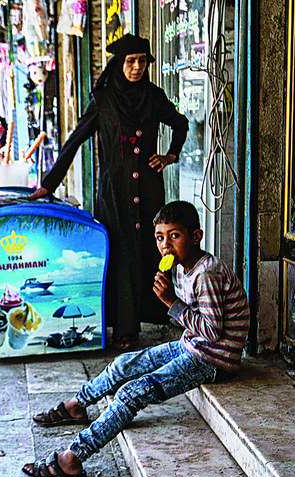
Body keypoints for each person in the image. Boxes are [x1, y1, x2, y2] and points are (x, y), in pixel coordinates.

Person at [22, 200, 250, 477]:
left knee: (132, 392)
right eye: (159, 237)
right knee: (123, 364)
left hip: (213, 359)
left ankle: (72, 458)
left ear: (196, 236)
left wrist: (171, 302)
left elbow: (212, 331)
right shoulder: (182, 267)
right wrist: (173, 302)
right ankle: (76, 405)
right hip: (192, 346)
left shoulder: (206, 273)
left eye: (174, 236)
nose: (166, 245)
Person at [31, 34, 189, 349]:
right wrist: (49, 183)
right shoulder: (103, 100)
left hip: (148, 187)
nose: (137, 68)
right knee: (120, 253)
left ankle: (158, 314)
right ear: (119, 63)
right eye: (131, 61)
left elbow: (181, 123)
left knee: (151, 251)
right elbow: (75, 140)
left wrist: (170, 156)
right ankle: (124, 329)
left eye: (143, 61)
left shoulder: (154, 97)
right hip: (114, 192)